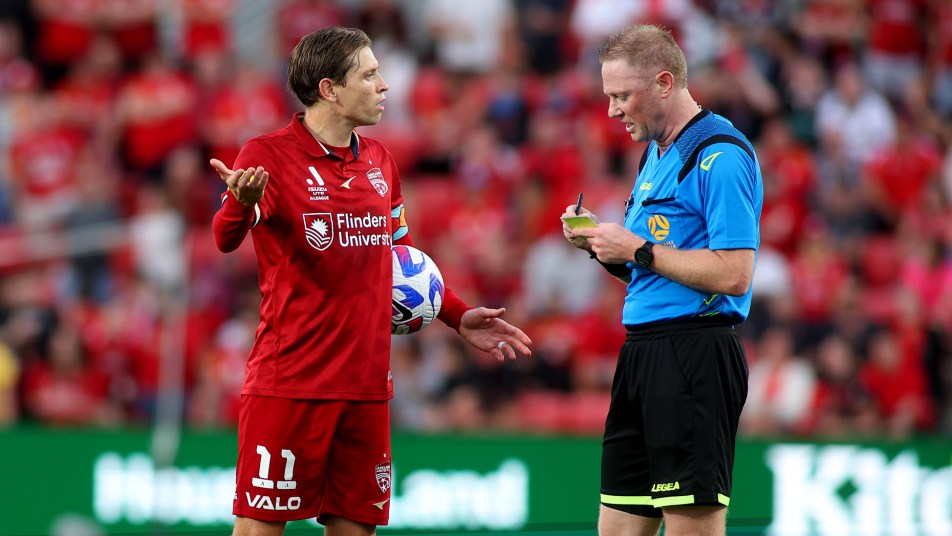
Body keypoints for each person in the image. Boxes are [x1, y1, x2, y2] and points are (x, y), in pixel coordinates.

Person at [211, 27, 532, 536]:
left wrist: (454, 314)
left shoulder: (381, 161)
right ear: (329, 89)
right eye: (370, 74)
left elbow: (398, 257)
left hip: (365, 387)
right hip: (290, 383)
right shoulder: (267, 155)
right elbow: (225, 238)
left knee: (357, 530)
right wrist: (240, 205)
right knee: (258, 530)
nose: (385, 85)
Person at [562, 24, 764, 536]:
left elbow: (736, 274)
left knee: (691, 527)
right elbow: (651, 268)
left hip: (694, 353)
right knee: (617, 529)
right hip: (642, 352)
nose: (612, 110)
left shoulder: (719, 156)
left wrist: (639, 249)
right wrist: (606, 250)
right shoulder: (655, 152)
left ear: (664, 83)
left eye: (621, 96)